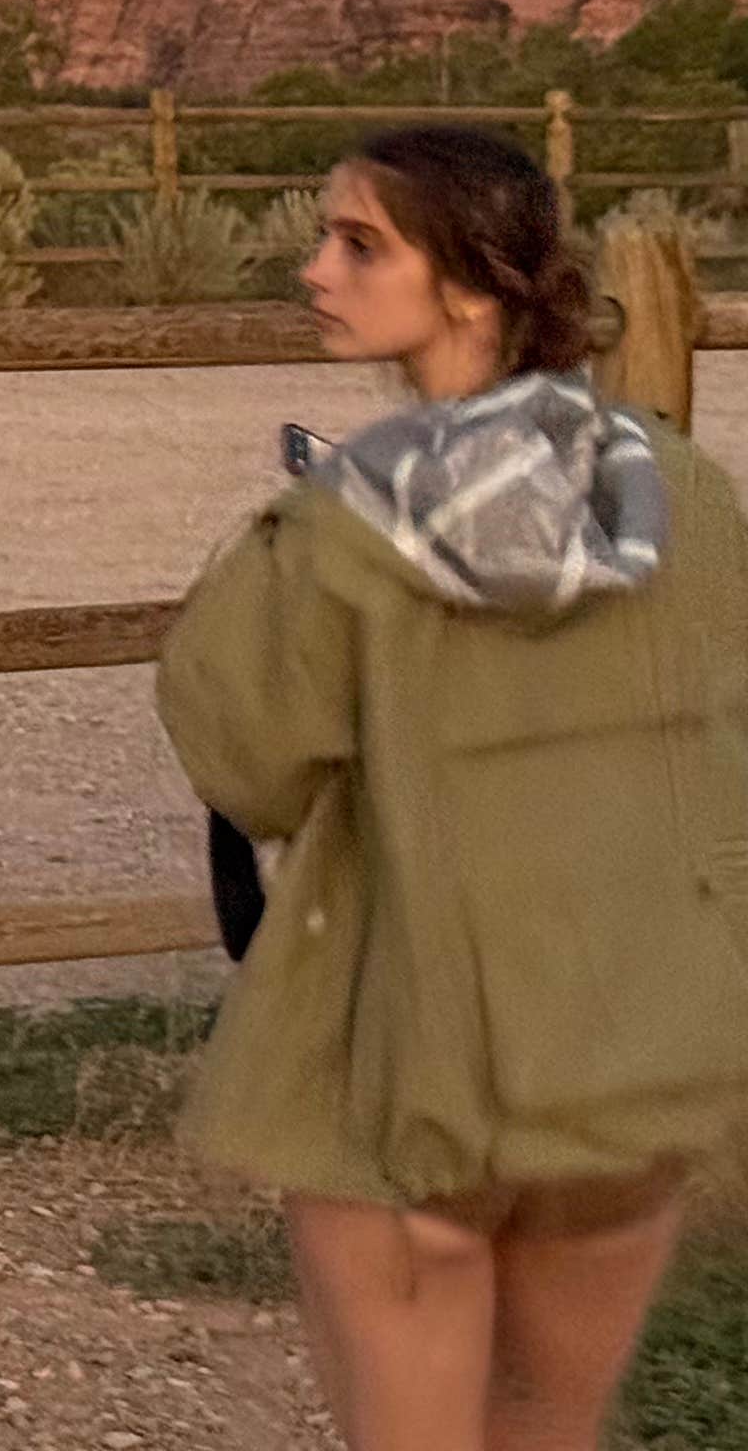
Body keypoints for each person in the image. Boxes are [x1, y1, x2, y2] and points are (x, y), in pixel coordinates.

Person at [156, 123, 748, 1451]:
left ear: (471, 283)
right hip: (627, 1053)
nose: (316, 268)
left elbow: (245, 752)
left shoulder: (347, 523)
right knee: (550, 1428)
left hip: (417, 1048)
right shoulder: (689, 494)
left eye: (360, 242)